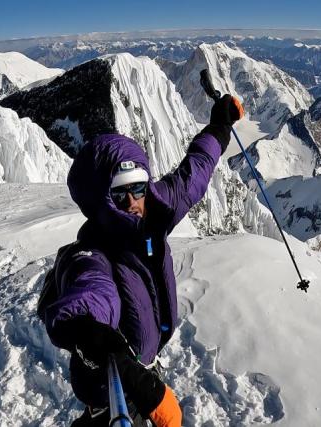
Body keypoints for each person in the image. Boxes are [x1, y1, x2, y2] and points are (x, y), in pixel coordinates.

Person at [37, 95, 244, 426]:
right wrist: (93, 333)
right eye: (120, 193)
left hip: (142, 369)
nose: (133, 201)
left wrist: (220, 126)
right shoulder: (93, 252)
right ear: (99, 199)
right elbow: (91, 290)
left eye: (138, 188)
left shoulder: (157, 209)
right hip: (112, 393)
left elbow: (196, 170)